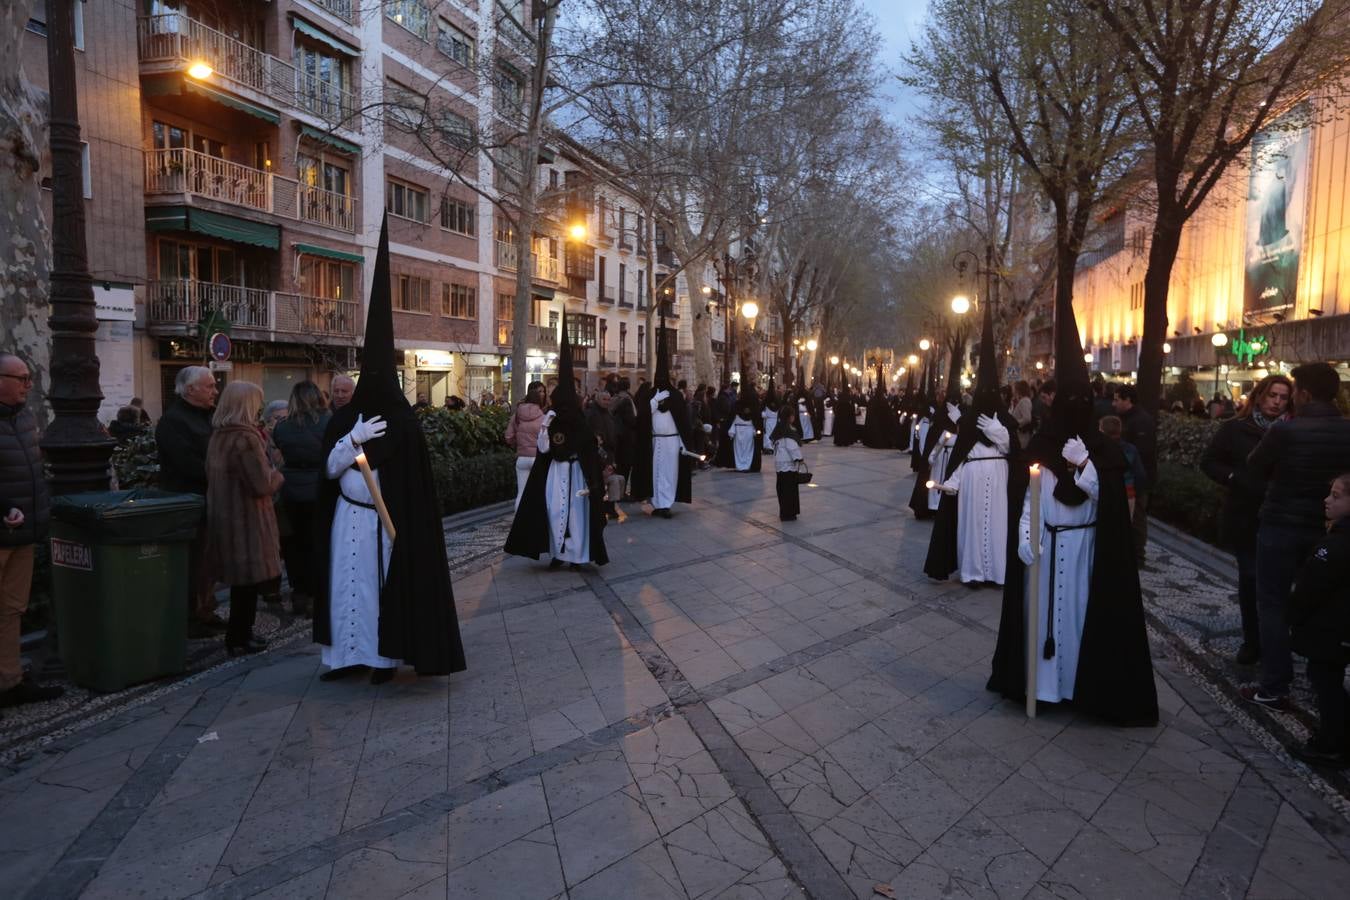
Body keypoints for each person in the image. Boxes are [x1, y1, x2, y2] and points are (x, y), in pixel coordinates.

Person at [986, 282, 1157, 726]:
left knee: (1080, 619)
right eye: (1071, 404)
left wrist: (1086, 468)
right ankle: (1040, 687)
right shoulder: (1042, 443)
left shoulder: (1103, 451)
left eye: (1086, 404)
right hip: (1045, 545)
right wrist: (1026, 538)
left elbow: (1113, 502)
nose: (1077, 411)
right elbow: (1027, 495)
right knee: (1042, 619)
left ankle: (1080, 687)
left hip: (1086, 552)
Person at [315, 218, 467, 684]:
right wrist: (353, 441)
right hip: (346, 515)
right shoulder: (345, 420)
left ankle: (382, 658)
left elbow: (412, 482)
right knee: (344, 584)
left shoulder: (404, 421)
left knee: (379, 588)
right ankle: (343, 657)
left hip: (384, 520)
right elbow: (329, 468)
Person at [1242, 362, 1350, 710]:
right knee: (1323, 600)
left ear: (1302, 393)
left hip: (1280, 524)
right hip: (1328, 530)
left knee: (1272, 603)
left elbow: (1254, 467)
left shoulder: (1285, 431)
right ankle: (1323, 682)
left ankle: (1275, 684)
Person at [1200, 374, 1292, 665]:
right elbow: (1209, 462)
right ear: (1260, 395)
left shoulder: (1293, 429)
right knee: (1251, 579)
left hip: (1283, 515)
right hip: (1245, 515)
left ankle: (1277, 641)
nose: (1277, 402)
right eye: (1272, 395)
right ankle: (1253, 641)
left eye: (1283, 397)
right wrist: (1233, 478)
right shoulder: (1236, 428)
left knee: (1278, 583)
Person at [506, 312, 609, 568]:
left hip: (575, 472)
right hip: (555, 472)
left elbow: (588, 448)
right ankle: (557, 552)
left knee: (576, 515)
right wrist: (545, 428)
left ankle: (576, 555)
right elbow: (544, 449)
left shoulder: (580, 420)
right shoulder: (550, 419)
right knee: (553, 511)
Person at [932, 298, 1017, 585]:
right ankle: (973, 572)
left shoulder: (1004, 420)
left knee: (997, 525)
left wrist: (999, 433)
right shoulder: (969, 421)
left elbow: (1013, 451)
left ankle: (997, 572)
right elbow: (961, 454)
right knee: (972, 524)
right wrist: (951, 482)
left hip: (998, 472)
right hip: (972, 476)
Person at [0, 352, 62, 708]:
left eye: (28, 378)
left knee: (12, 610)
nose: (28, 384)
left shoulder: (23, 418)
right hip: (4, 527)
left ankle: (9, 681)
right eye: (20, 378)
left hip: (22, 534)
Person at [204, 382, 284, 656]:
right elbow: (261, 484)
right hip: (247, 522)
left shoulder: (218, 435)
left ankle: (239, 636)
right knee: (247, 586)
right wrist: (278, 474)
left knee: (241, 584)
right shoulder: (246, 438)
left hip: (226, 518)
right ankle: (240, 637)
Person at [1288, 473, 1350, 767]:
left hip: (1330, 627)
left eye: (1337, 496)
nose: (1327, 500)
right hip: (1339, 628)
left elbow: (1310, 588)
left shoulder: (1337, 545)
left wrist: (1294, 617)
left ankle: (1331, 744)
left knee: (1326, 683)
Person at [156, 366, 223, 636]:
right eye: (209, 386)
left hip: (207, 500)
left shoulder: (208, 417)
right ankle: (191, 618)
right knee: (193, 563)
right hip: (188, 502)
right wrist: (219, 472)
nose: (215, 391)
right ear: (190, 389)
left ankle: (205, 609)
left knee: (207, 562)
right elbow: (185, 463)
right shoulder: (173, 421)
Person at [272, 381, 331, 617]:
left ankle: (299, 592)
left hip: (290, 490)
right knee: (318, 542)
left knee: (293, 544)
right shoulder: (328, 423)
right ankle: (318, 594)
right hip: (319, 487)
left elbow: (279, 449)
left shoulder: (283, 427)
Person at [631, 317, 695, 518]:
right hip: (655, 440)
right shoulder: (650, 395)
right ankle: (658, 503)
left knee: (670, 473)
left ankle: (666, 502)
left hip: (672, 441)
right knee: (655, 473)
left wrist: (684, 443)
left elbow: (683, 421)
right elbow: (641, 417)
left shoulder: (675, 395)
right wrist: (654, 403)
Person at [1112, 385, 1157, 566]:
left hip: (1137, 477)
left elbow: (1143, 452)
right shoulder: (1125, 419)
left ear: (1127, 400)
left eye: (1117, 399)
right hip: (1127, 476)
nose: (1114, 403)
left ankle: (1138, 555)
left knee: (1137, 516)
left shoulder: (1141, 421)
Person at [505, 381, 548, 511]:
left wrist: (518, 443)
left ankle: (518, 521)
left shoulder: (517, 415)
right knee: (540, 492)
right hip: (538, 458)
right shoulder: (544, 418)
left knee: (521, 492)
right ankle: (536, 523)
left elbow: (508, 437)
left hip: (522, 458)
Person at [1098, 415, 1146, 519]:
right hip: (1128, 493)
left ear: (1102, 431)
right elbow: (1140, 475)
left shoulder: (1099, 450)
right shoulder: (1131, 449)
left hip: (1104, 494)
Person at [715, 380, 763, 471]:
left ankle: (740, 465)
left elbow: (731, 419)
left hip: (740, 431)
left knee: (740, 450)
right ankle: (745, 465)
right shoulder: (752, 406)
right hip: (746, 431)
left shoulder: (737, 406)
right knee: (746, 450)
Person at [772, 403, 805, 521]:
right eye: (792, 415)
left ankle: (784, 512)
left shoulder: (779, 428)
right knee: (789, 490)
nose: (794, 417)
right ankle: (789, 513)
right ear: (789, 417)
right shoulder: (788, 430)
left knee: (781, 489)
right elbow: (792, 447)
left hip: (779, 464)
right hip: (788, 464)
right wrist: (799, 458)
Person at [1010, 381, 1034, 449]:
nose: (1013, 391)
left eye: (1014, 389)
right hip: (1021, 435)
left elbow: (1027, 418)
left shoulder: (1024, 401)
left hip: (1021, 436)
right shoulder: (1024, 400)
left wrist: (1015, 423)